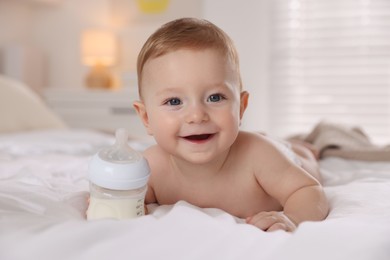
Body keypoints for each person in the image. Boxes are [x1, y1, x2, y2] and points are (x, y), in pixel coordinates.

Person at [133, 17, 329, 232]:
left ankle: (301, 148)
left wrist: (294, 217)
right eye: (174, 101)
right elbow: (127, 199)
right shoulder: (151, 168)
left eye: (215, 98)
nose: (197, 116)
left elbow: (308, 188)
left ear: (241, 107)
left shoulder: (258, 156)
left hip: (279, 154)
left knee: (304, 159)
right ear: (146, 118)